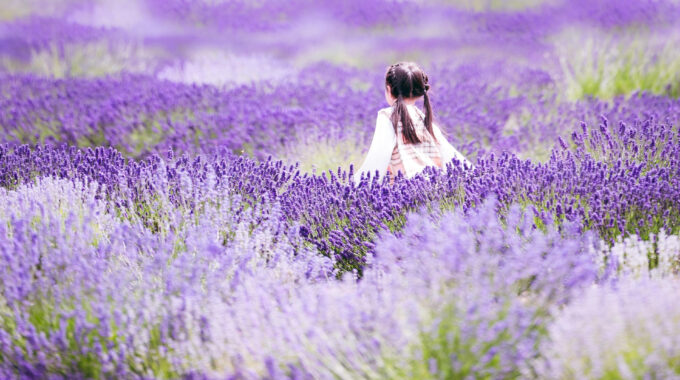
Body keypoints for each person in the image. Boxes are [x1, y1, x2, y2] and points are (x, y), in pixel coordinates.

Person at [353, 62, 471, 184]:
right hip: (435, 188)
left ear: (388, 89)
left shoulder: (387, 117)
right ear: (419, 92)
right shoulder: (423, 118)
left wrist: (353, 186)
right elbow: (450, 155)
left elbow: (377, 160)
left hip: (405, 192)